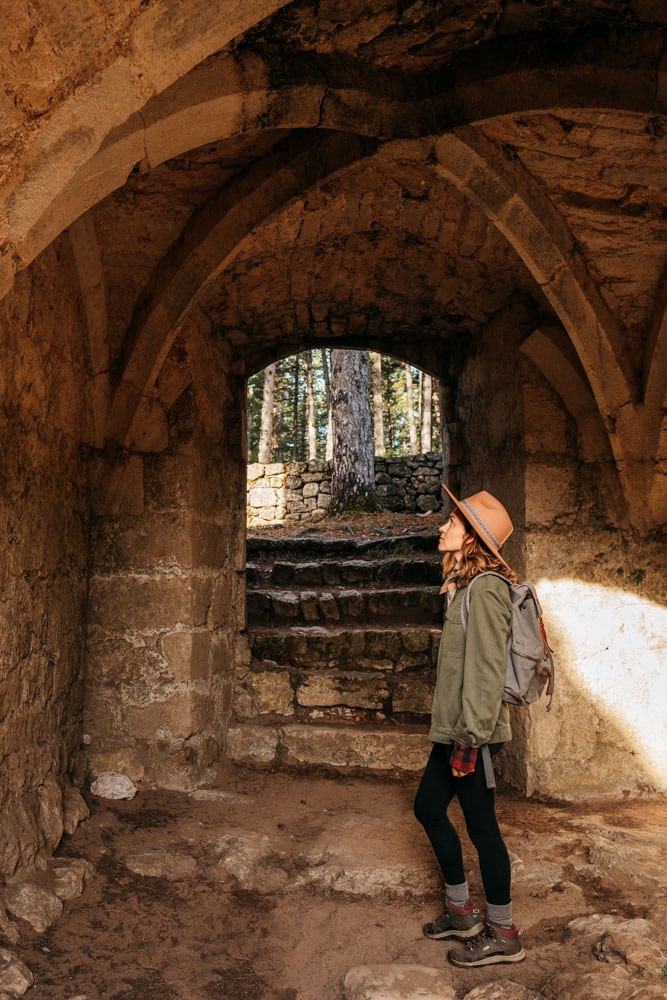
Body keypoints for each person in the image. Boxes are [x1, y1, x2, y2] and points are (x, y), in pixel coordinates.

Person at [413, 486, 525, 967]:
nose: (443, 526)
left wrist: (470, 740)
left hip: (471, 734)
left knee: (483, 830)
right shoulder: (464, 586)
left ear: (473, 537)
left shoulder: (488, 590)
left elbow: (484, 673)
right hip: (456, 730)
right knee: (427, 807)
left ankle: (502, 932)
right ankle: (462, 912)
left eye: (453, 522)